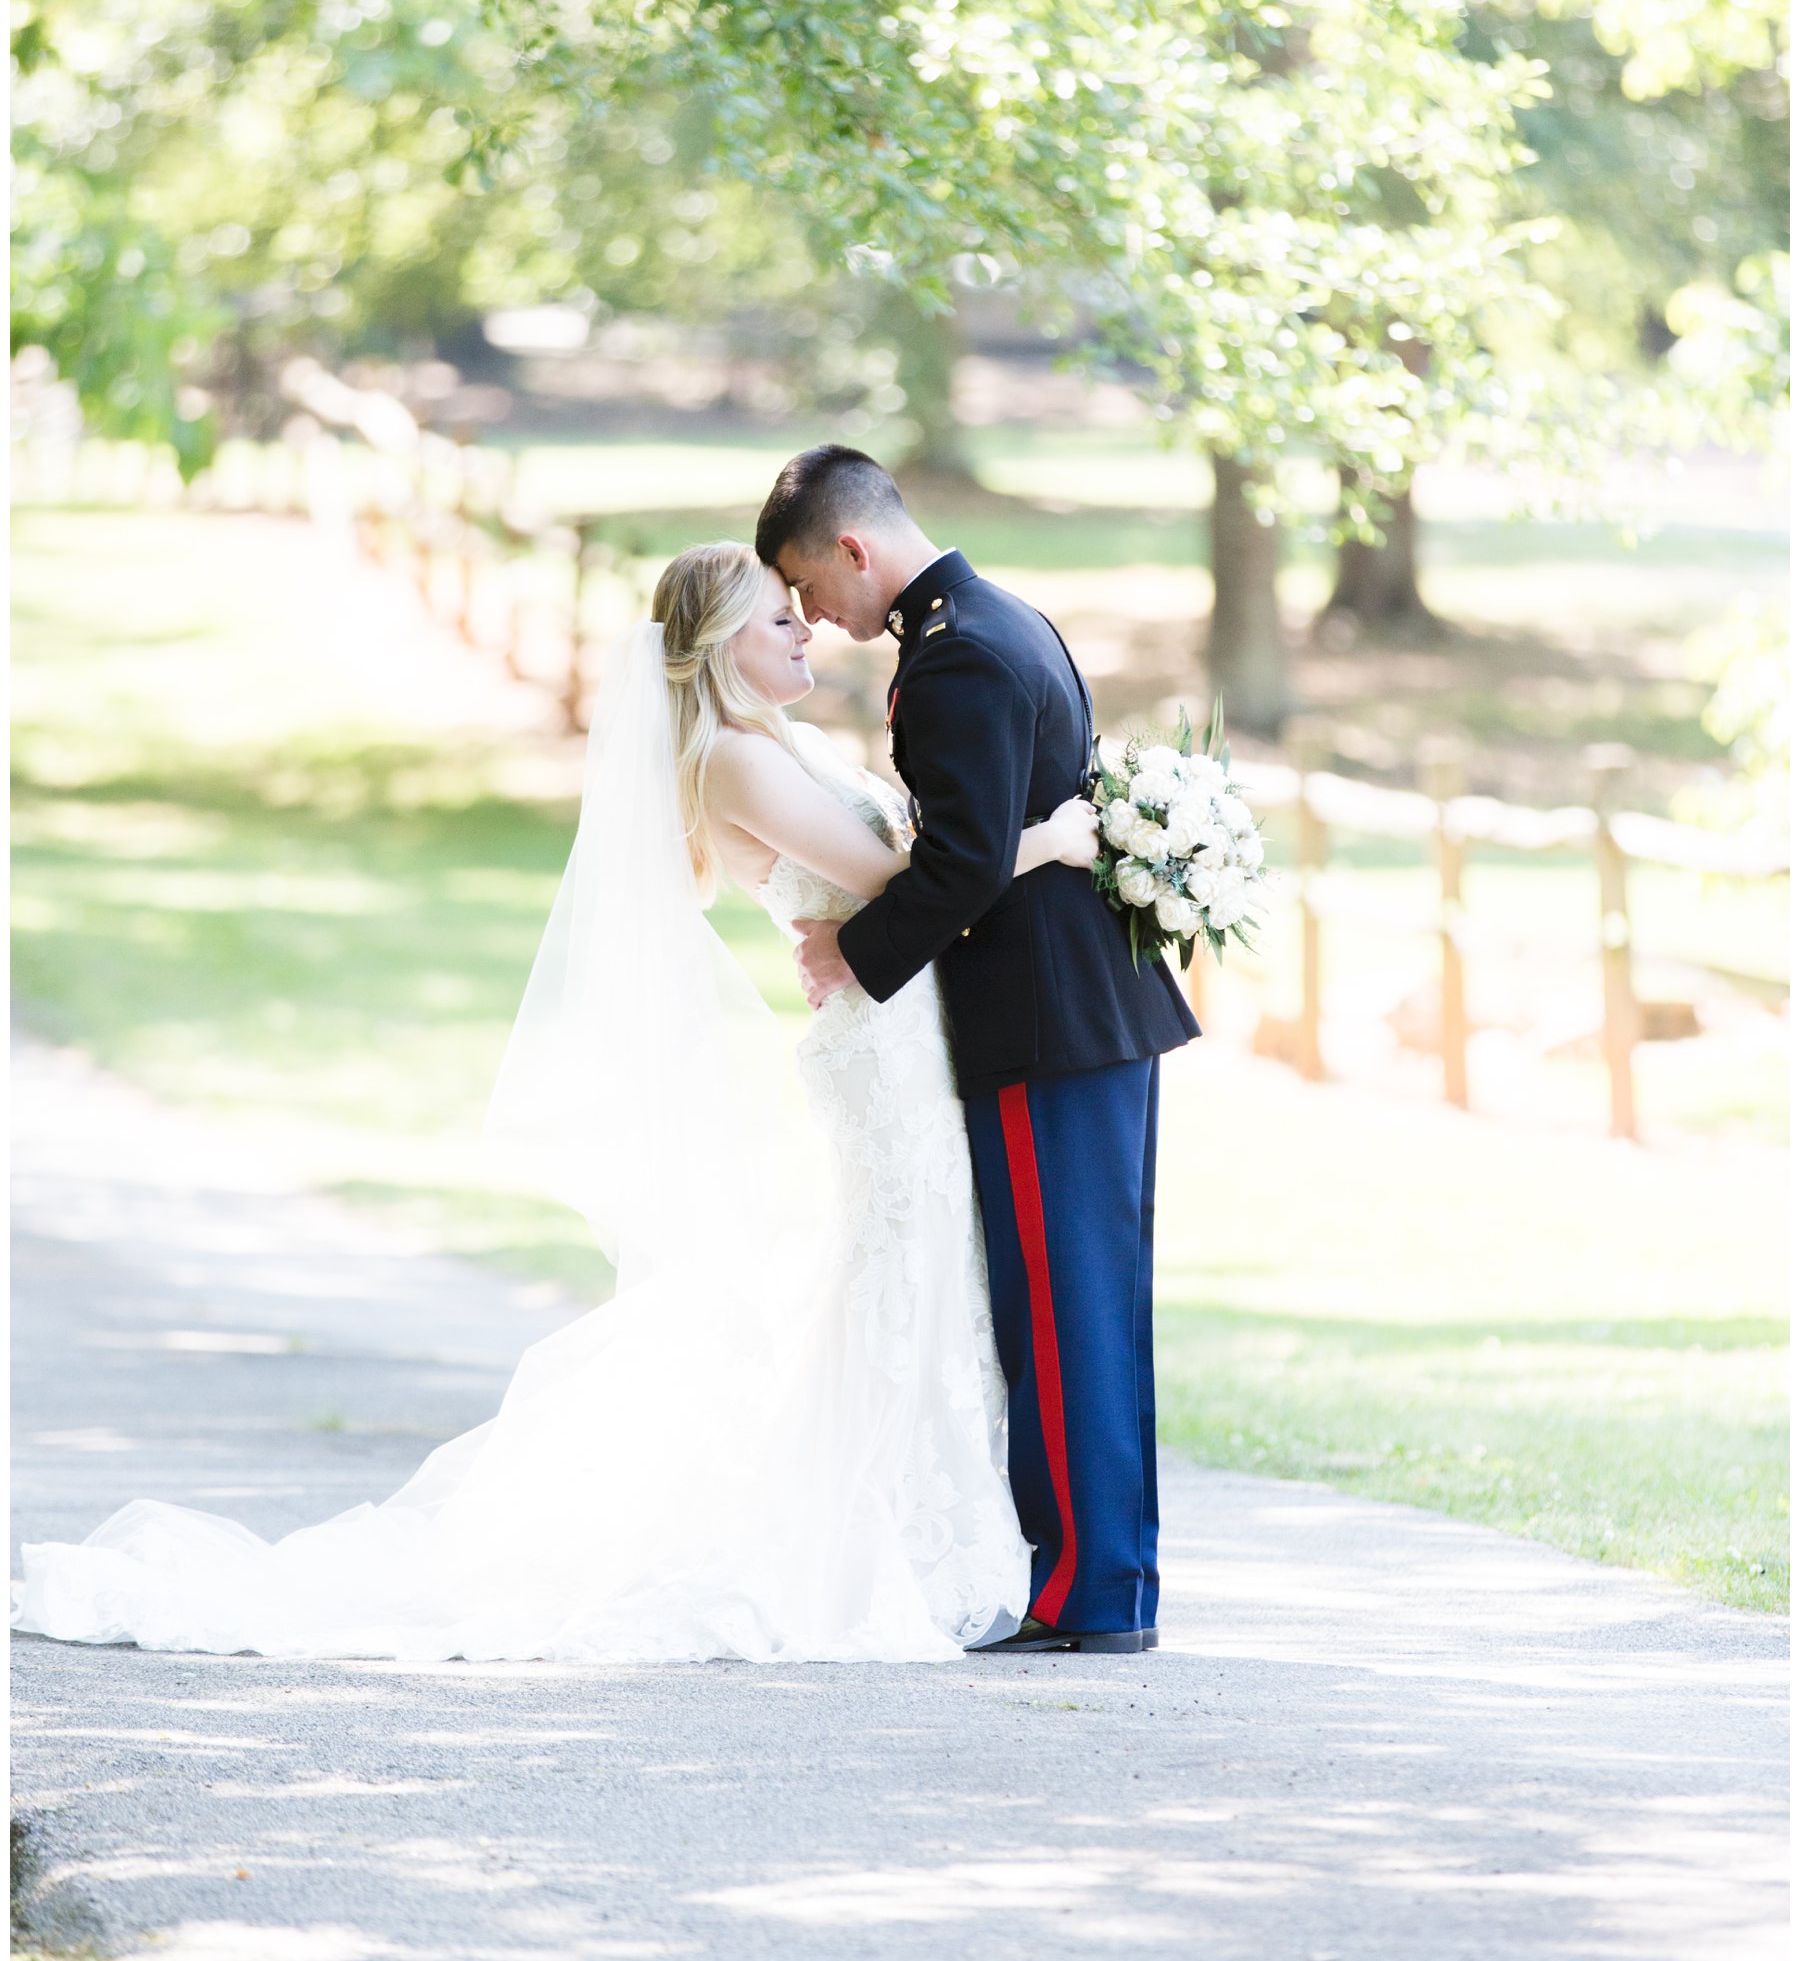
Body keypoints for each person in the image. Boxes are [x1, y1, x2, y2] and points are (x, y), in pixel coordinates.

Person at [12, 543, 1100, 1665]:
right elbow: (903, 880)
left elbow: (923, 862)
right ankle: (893, 1541)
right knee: (899, 1273)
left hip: (905, 1026)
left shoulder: (792, 740)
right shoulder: (733, 760)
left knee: (915, 1277)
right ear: (722, 645)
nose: (803, 632)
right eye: (777, 621)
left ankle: (932, 1524)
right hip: (879, 1049)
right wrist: (1052, 839)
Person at [759, 446, 1198, 1653]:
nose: (815, 620)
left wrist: (852, 951)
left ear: (854, 548)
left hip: (1043, 1019)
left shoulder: (953, 657)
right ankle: (1111, 1583)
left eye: (810, 588)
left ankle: (1089, 1595)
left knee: (1061, 1312)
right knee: (1092, 1304)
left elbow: (959, 864)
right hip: (1092, 1010)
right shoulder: (1009, 614)